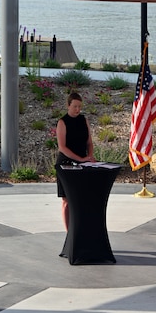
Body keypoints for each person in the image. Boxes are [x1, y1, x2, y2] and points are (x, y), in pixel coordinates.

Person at [56, 91, 96, 229]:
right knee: (67, 199)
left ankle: (80, 229)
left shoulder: (84, 120)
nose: (78, 109)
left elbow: (89, 142)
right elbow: (62, 147)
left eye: (80, 106)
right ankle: (69, 233)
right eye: (75, 106)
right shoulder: (62, 122)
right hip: (66, 164)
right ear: (68, 106)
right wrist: (81, 159)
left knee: (81, 198)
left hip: (83, 163)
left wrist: (89, 157)